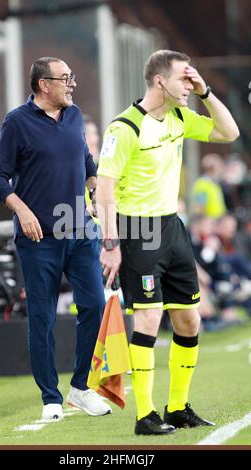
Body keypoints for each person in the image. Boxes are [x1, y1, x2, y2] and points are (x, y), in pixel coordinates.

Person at [96, 49, 239, 435]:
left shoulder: (180, 117)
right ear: (160, 81)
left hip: (172, 229)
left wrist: (206, 91)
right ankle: (146, 414)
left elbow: (229, 132)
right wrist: (111, 243)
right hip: (137, 230)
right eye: (184, 79)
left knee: (189, 319)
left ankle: (177, 408)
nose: (189, 86)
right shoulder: (123, 128)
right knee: (147, 317)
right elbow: (104, 193)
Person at [0, 57, 111, 420]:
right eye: (65, 78)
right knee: (41, 318)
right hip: (38, 239)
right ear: (44, 84)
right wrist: (21, 211)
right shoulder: (16, 122)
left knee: (94, 306)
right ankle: (50, 398)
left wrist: (92, 192)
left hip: (80, 234)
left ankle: (80, 388)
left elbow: (88, 165)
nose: (72, 84)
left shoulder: (74, 116)